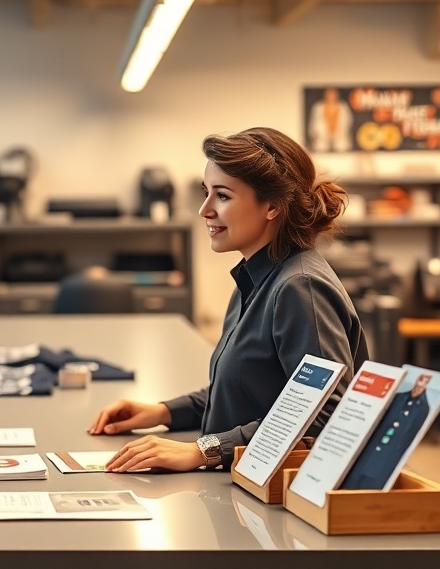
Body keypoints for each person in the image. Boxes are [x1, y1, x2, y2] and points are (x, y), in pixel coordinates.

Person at [89, 127, 368, 473]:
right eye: (206, 193)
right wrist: (163, 412)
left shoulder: (301, 287)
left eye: (222, 196)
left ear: (272, 206)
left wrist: (203, 450)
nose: (205, 210)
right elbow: (246, 391)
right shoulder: (255, 278)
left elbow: (324, 415)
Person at [341, 373, 431, 490]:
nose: (420, 385)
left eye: (424, 382)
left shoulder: (423, 407)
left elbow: (411, 434)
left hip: (391, 450)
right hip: (375, 443)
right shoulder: (399, 396)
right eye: (420, 380)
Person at [308, 87, 354, 152]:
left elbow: (348, 122)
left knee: (342, 147)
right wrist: (315, 135)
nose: (331, 96)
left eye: (333, 93)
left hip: (340, 138)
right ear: (325, 94)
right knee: (320, 147)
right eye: (329, 93)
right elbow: (313, 124)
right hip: (322, 139)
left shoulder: (343, 107)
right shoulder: (318, 107)